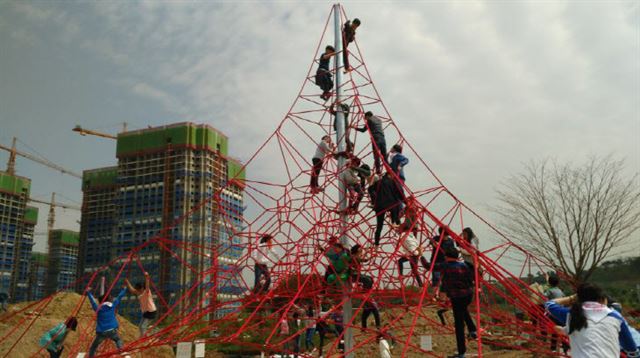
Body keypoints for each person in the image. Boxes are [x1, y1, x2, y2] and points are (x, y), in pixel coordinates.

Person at [544, 283, 639, 358]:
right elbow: (632, 350)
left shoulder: (572, 314)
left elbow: (549, 304)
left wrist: (571, 298)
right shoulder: (615, 316)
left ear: (578, 299)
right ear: (602, 299)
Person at [440, 247, 477, 358]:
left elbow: (429, 266)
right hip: (468, 295)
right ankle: (473, 330)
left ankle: (461, 353)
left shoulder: (445, 266)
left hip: (456, 297)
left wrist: (421, 256)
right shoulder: (464, 265)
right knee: (463, 310)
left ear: (447, 257)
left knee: (459, 325)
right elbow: (471, 279)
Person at [87, 286, 127, 357]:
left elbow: (92, 301)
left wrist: (88, 292)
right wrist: (124, 289)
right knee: (118, 340)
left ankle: (91, 356)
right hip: (112, 330)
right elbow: (119, 297)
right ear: (108, 300)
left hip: (102, 332)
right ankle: (121, 350)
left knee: (93, 347)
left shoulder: (98, 308)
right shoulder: (113, 305)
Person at [368, 173, 404, 246]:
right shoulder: (393, 182)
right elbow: (400, 193)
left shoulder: (378, 182)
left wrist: (371, 183)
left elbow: (370, 190)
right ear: (390, 175)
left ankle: (376, 244)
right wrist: (406, 202)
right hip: (391, 205)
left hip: (380, 206)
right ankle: (395, 223)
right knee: (397, 219)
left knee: (379, 226)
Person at [124, 271, 157, 337]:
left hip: (151, 312)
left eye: (139, 290)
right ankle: (143, 336)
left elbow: (147, 286)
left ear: (142, 288)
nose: (138, 291)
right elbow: (132, 290)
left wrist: (147, 277)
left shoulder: (146, 292)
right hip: (146, 312)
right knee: (140, 326)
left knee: (143, 326)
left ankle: (144, 338)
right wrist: (127, 282)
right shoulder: (139, 292)